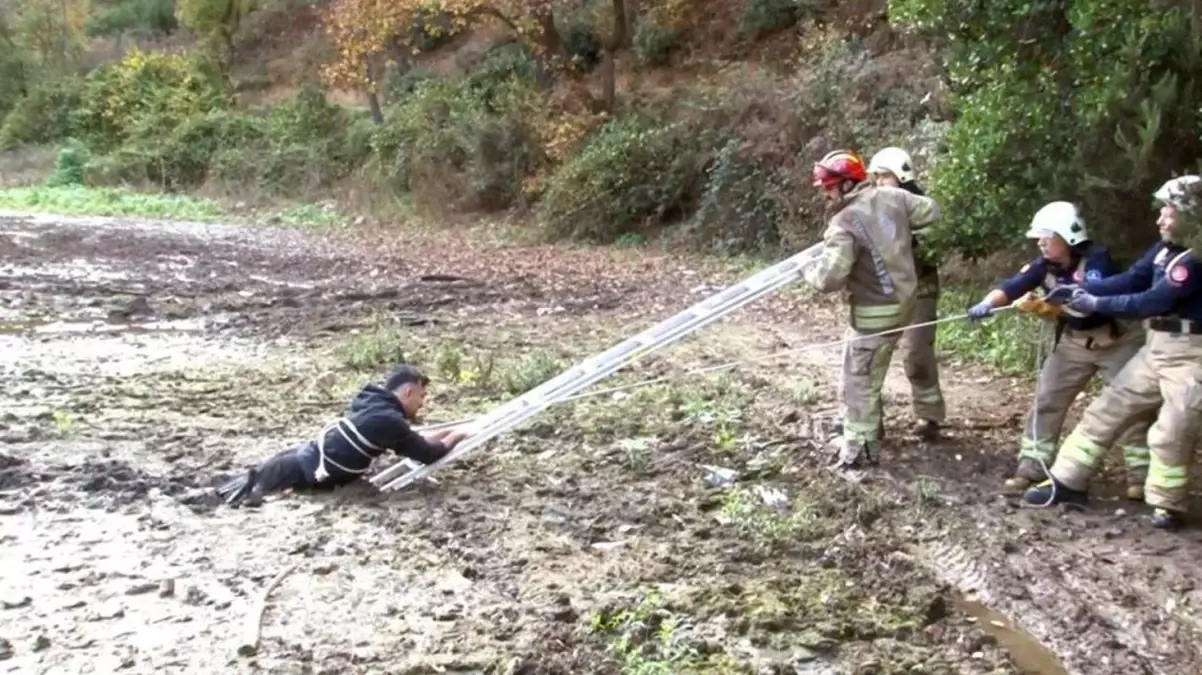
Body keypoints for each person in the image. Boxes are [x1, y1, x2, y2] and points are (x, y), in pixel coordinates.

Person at [1022, 176, 1202, 529]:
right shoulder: (1164, 248)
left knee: (1172, 429)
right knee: (1106, 410)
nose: (1160, 219)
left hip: (1192, 356)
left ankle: (1168, 504)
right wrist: (1079, 289)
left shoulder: (1194, 257)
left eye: (1169, 212)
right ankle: (1067, 482)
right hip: (1156, 349)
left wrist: (1095, 301)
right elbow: (1133, 279)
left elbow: (1153, 300)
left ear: (1192, 214)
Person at [965, 201, 1150, 500]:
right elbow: (1014, 285)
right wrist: (988, 303)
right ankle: (1031, 467)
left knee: (1133, 408)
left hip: (1116, 341)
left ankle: (1141, 476)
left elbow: (1090, 304)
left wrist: (1049, 306)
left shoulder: (1097, 261)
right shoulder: (1044, 266)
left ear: (1067, 236)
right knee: (1047, 398)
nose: (1040, 242)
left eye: (1046, 236)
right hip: (1075, 344)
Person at [804, 149, 940, 468]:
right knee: (870, 374)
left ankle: (861, 454)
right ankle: (869, 434)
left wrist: (806, 270)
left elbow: (828, 279)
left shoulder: (843, 224)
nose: (825, 192)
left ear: (848, 184)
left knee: (858, 381)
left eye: (829, 186)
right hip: (905, 303)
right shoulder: (894, 197)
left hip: (873, 314)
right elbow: (931, 211)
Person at [216, 364, 470, 507]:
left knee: (235, 490)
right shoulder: (389, 420)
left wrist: (447, 431)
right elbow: (427, 454)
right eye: (421, 396)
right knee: (238, 501)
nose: (422, 404)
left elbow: (415, 439)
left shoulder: (373, 404)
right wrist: (458, 435)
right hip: (301, 471)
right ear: (407, 393)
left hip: (295, 459)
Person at [867, 147, 945, 441]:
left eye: (885, 176)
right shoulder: (870, 209)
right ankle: (870, 423)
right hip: (883, 295)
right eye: (876, 177)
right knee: (871, 358)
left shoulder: (922, 208)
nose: (879, 183)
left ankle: (929, 416)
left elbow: (930, 249)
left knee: (917, 355)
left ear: (901, 176)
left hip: (919, 292)